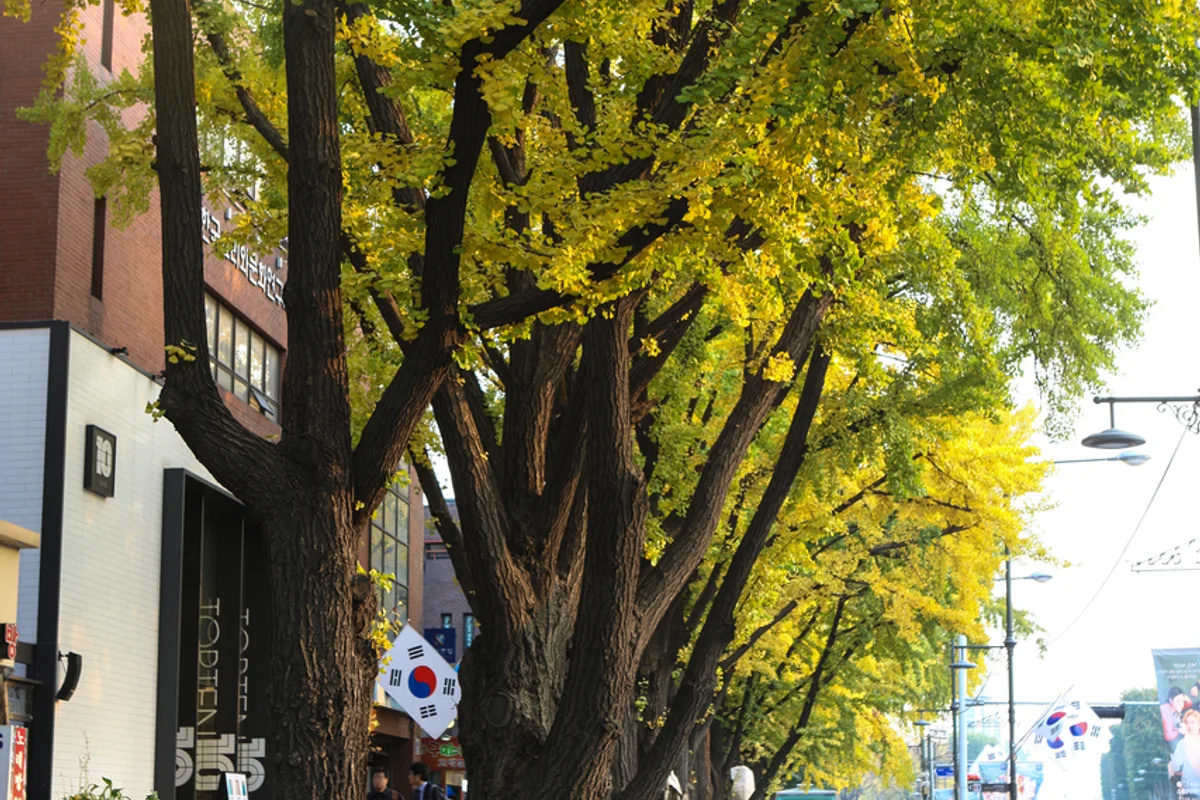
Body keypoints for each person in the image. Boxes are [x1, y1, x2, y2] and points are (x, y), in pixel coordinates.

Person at [1169, 709, 1200, 798]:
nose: (1190, 726)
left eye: (1192, 722)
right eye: (1187, 723)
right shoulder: (1183, 744)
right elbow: (1176, 767)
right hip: (1189, 789)